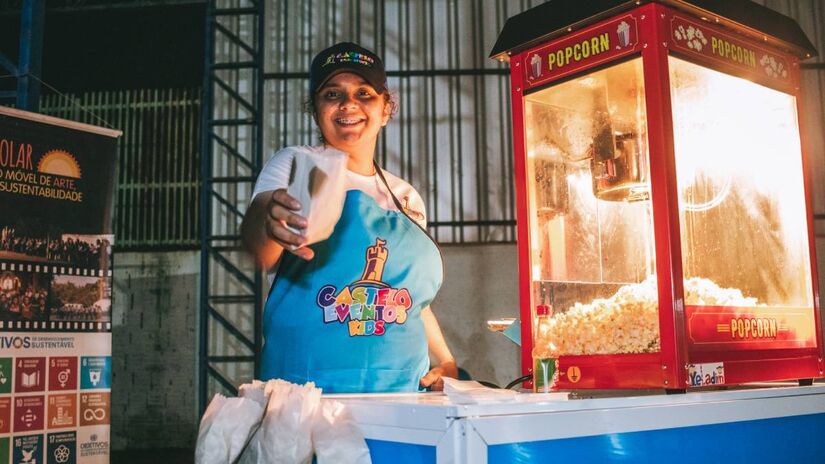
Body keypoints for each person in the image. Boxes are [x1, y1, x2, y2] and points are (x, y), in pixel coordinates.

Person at [241, 42, 457, 393]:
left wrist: (445, 360)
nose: (348, 104)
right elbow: (260, 247)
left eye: (364, 93)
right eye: (332, 94)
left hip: (401, 396)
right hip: (308, 396)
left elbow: (410, 299)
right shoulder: (297, 166)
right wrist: (270, 220)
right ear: (315, 110)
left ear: (386, 109)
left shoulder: (406, 197)